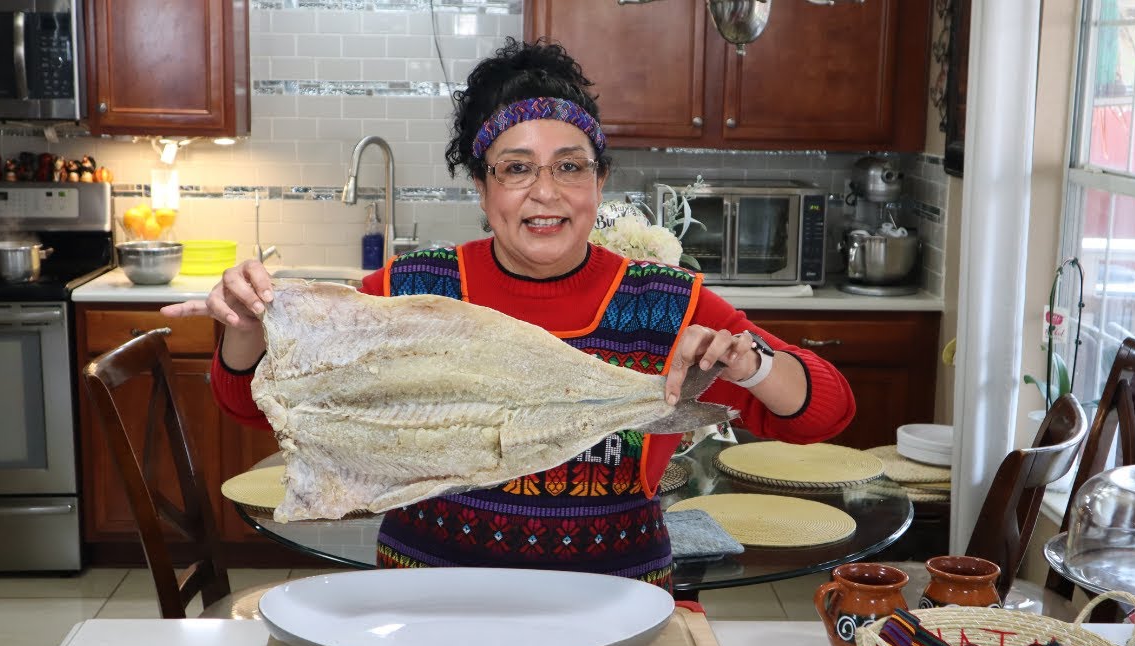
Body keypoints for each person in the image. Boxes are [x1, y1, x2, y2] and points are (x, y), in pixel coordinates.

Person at [162, 38, 855, 592]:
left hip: (612, 606)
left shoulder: (666, 304)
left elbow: (826, 413)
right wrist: (247, 332)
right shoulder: (412, 291)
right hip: (429, 601)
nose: (545, 193)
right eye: (516, 168)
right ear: (482, 186)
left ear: (599, 180)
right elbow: (255, 408)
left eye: (570, 167)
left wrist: (753, 364)